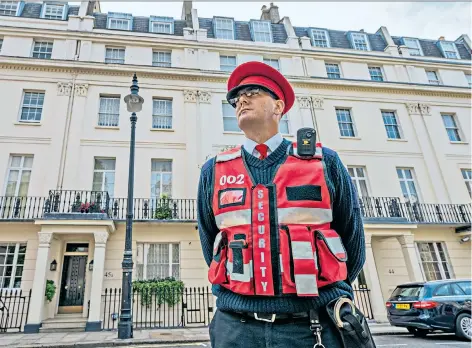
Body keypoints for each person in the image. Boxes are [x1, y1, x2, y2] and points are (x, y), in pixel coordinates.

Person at [197, 61, 367, 348]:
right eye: (237, 98)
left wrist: (321, 290)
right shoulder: (213, 170)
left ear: (278, 107)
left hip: (312, 325)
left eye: (252, 92)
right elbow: (209, 238)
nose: (242, 100)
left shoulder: (325, 162)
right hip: (235, 328)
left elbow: (353, 241)